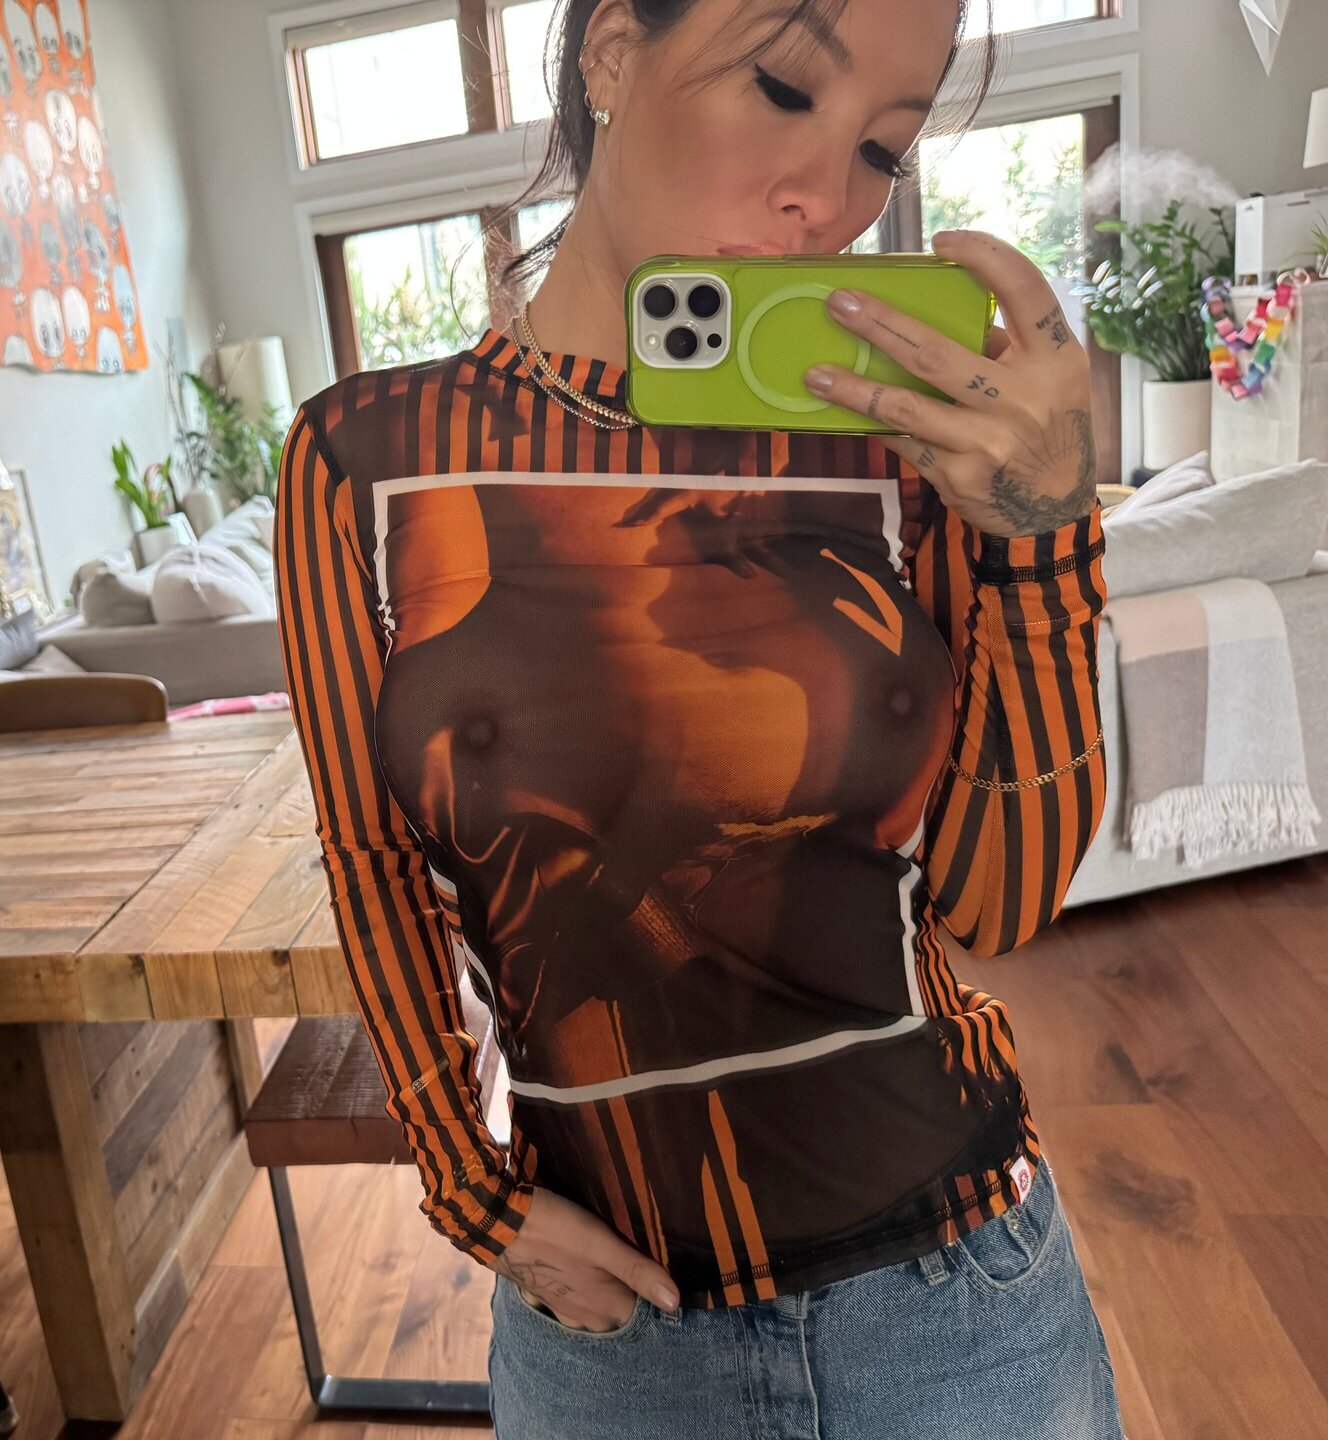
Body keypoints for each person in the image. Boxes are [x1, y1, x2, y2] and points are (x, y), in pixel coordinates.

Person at [272, 0, 1123, 1433]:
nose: (826, 200)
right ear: (612, 49)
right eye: (784, 89)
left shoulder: (894, 454)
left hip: (959, 1301)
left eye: (881, 149)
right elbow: (370, 859)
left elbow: (999, 905)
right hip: (611, 1342)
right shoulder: (362, 459)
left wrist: (1043, 541)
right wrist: (469, 1189)